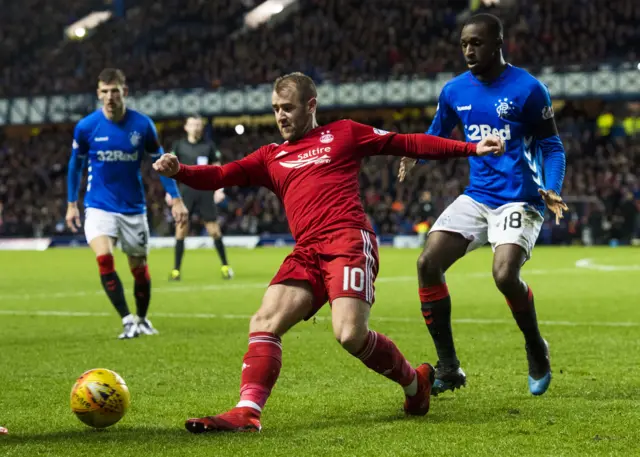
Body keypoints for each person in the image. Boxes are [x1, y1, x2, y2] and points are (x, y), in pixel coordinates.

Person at [153, 72, 504, 433]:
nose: (280, 117)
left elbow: (406, 141)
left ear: (311, 105)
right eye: (275, 109)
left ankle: (416, 384)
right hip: (306, 251)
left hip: (348, 242)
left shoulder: (345, 133)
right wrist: (181, 170)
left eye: (288, 108)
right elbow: (220, 175)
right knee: (263, 322)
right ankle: (247, 411)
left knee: (350, 335)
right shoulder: (270, 156)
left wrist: (470, 148)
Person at [398, 13, 568, 396]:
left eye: (476, 43)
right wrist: (414, 154)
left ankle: (536, 347)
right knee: (427, 263)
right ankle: (449, 367)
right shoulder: (455, 90)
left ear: (498, 43)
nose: (469, 50)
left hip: (521, 198)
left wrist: (552, 187)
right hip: (478, 196)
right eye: (464, 44)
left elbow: (552, 146)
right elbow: (436, 135)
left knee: (505, 275)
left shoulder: (529, 89)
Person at [66, 68, 188, 339]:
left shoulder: (142, 125)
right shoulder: (86, 127)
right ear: (98, 94)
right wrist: (72, 203)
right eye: (105, 91)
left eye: (115, 91)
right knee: (104, 257)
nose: (110, 97)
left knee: (138, 267)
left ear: (125, 92)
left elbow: (161, 163)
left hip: (133, 206)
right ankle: (127, 319)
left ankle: (142, 319)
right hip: (98, 204)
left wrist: (176, 199)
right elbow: (75, 166)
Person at [168, 115, 233, 281]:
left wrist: (219, 189)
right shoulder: (179, 146)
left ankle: (225, 266)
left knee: (214, 229)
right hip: (185, 191)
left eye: (198, 125)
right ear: (186, 127)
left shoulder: (208, 146)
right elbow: (171, 169)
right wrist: (170, 191)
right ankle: (176, 270)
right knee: (181, 228)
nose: (196, 127)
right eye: (192, 124)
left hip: (205, 191)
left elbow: (218, 169)